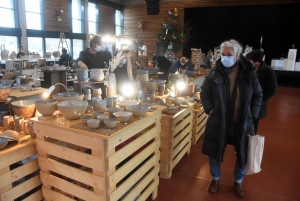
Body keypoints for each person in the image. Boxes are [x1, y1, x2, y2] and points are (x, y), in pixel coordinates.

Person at [200, 39, 262, 197]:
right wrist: (210, 109)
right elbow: (204, 93)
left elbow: (258, 95)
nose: (225, 57)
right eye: (223, 54)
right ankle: (215, 178)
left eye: (229, 54)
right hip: (219, 119)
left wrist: (252, 114)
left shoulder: (248, 73)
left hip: (241, 121)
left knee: (242, 153)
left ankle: (238, 181)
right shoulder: (214, 73)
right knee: (214, 151)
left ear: (237, 55)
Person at [246, 49, 277, 134]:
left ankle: (251, 142)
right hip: (247, 102)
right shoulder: (250, 69)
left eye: (250, 59)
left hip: (258, 104)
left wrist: (260, 100)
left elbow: (273, 89)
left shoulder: (268, 71)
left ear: (255, 60)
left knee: (254, 124)